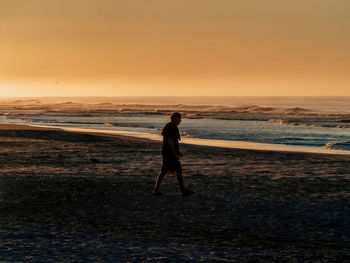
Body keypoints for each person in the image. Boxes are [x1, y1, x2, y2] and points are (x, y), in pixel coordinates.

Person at [152, 112, 194, 196]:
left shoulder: (172, 126)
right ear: (175, 118)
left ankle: (156, 190)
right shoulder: (171, 127)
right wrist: (174, 153)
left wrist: (178, 152)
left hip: (168, 153)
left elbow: (173, 141)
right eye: (179, 118)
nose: (180, 120)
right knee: (177, 170)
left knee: (164, 171)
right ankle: (183, 190)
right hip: (169, 153)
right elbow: (170, 141)